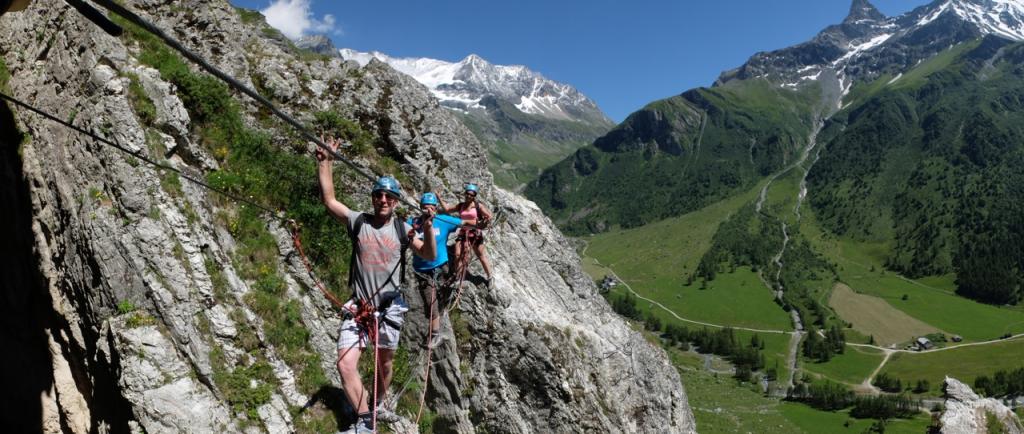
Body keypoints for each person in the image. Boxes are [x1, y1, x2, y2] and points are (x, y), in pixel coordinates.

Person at [316, 136, 436, 433]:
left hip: (389, 308)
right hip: (359, 307)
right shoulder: (359, 222)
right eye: (378, 195)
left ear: (395, 202)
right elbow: (330, 200)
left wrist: (430, 227)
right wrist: (325, 162)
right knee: (345, 365)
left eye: (389, 197)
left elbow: (429, 253)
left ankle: (376, 404)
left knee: (384, 365)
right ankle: (365, 420)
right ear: (373, 198)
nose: (383, 200)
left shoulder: (403, 228)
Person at [407, 192, 465, 348]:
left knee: (441, 294)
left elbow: (463, 222)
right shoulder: (412, 223)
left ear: (435, 208)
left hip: (442, 266)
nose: (428, 210)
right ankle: (435, 334)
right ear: (420, 208)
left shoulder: (443, 220)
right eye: (425, 207)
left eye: (431, 207)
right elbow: (404, 233)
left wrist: (479, 223)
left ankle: (442, 312)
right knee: (430, 302)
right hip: (423, 270)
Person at [439, 183, 493, 286]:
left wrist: (486, 219)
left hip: (475, 232)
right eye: (468, 194)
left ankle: (490, 277)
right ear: (465, 194)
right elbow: (447, 209)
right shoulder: (461, 206)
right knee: (458, 254)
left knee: (481, 255)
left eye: (472, 195)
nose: (469, 196)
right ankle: (458, 276)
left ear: (474, 196)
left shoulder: (478, 206)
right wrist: (439, 197)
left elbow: (489, 215)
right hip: (463, 232)